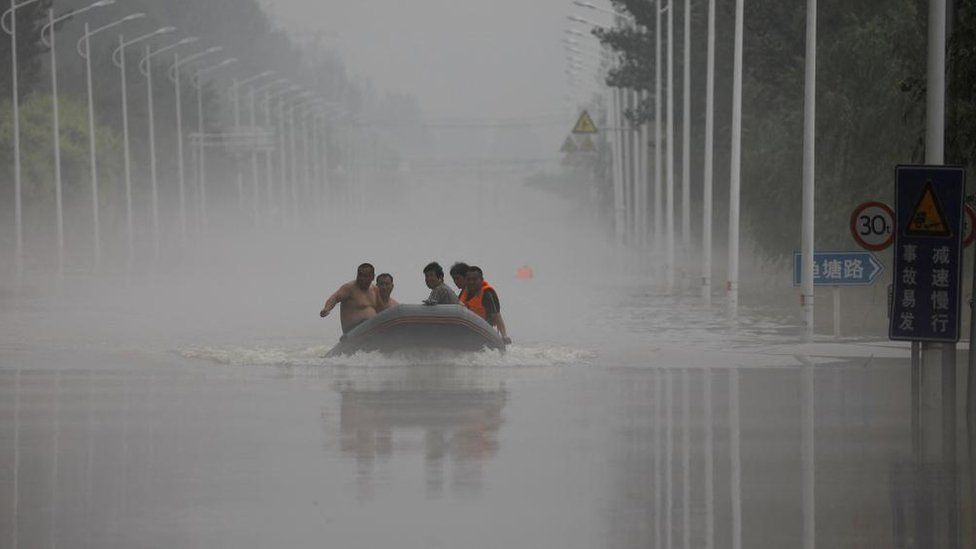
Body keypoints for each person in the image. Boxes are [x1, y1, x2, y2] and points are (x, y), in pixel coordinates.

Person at [319, 263, 379, 334]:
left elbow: (384, 305)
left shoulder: (375, 289)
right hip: (353, 332)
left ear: (372, 277)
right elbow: (335, 298)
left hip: (372, 331)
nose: (362, 278)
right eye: (360, 275)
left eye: (365, 276)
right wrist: (327, 308)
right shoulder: (349, 288)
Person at [459, 265, 511, 344]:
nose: (471, 282)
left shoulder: (487, 294)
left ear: (481, 280)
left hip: (483, 331)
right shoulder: (464, 292)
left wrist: (504, 336)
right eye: (469, 279)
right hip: (466, 330)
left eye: (474, 279)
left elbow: (497, 316)